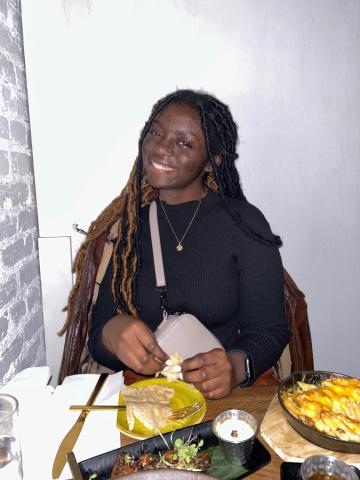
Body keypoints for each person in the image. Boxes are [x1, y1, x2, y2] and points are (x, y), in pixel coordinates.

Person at [60, 89, 291, 399]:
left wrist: (236, 367)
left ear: (212, 161)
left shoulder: (243, 223)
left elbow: (269, 329)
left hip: (221, 400)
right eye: (155, 132)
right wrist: (112, 335)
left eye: (183, 142)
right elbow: (99, 344)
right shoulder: (129, 228)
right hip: (146, 401)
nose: (160, 148)